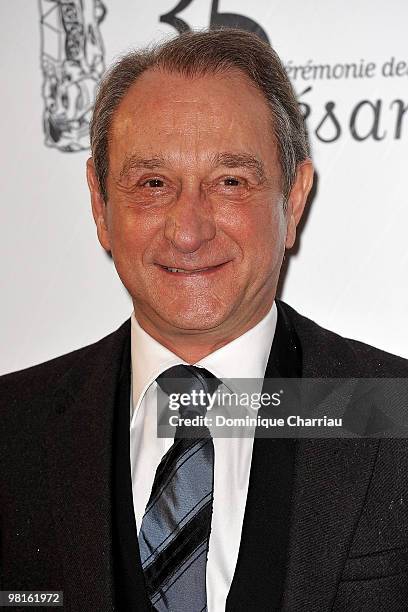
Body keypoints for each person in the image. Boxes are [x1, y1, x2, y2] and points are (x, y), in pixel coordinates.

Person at [1, 28, 408, 612]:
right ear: (99, 204)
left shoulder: (396, 417)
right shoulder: (12, 429)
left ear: (292, 201)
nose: (189, 231)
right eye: (154, 184)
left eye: (231, 182)